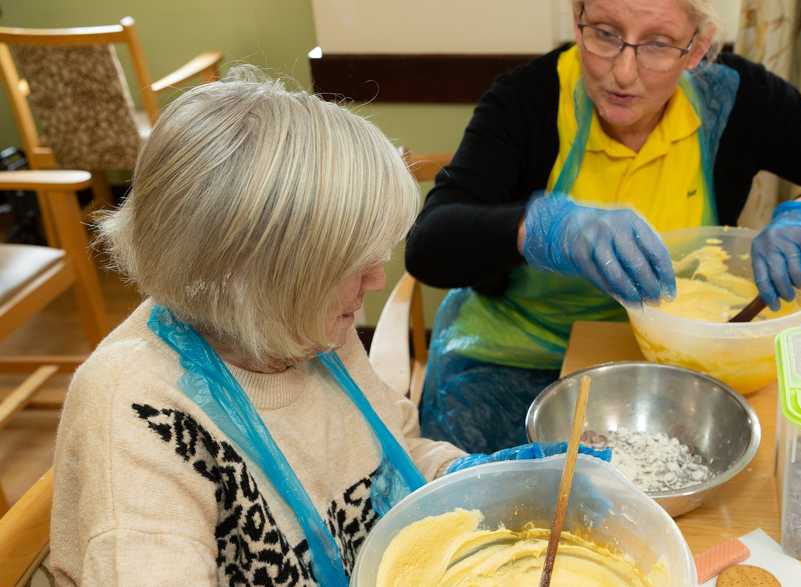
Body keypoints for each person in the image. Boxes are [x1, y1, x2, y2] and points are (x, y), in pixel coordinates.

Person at [48, 69, 606, 585]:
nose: (375, 277)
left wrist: (476, 477)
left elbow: (396, 454)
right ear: (250, 272)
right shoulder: (140, 416)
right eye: (347, 261)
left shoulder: (306, 328)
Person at [406, 0, 801, 453]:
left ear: (697, 49)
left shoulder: (733, 100)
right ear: (577, 19)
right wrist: (539, 227)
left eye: (657, 44)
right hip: (512, 364)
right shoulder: (527, 100)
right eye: (605, 33)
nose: (623, 73)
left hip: (670, 372)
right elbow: (430, 244)